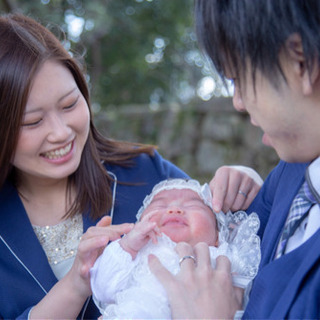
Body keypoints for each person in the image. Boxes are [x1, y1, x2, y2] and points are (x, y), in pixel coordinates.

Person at [0, 12, 263, 320]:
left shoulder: (145, 172)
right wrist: (76, 285)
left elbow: (232, 231)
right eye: (32, 121)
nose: (60, 133)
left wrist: (247, 180)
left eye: (69, 104)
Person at [148, 1, 320, 319]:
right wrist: (245, 179)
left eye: (238, 78)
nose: (238, 103)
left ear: (301, 61)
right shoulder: (291, 174)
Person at [90, 179, 260, 319]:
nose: (174, 209)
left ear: (218, 235)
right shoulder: (136, 255)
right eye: (159, 205)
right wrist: (127, 246)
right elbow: (103, 290)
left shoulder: (221, 258)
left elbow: (243, 300)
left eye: (194, 206)